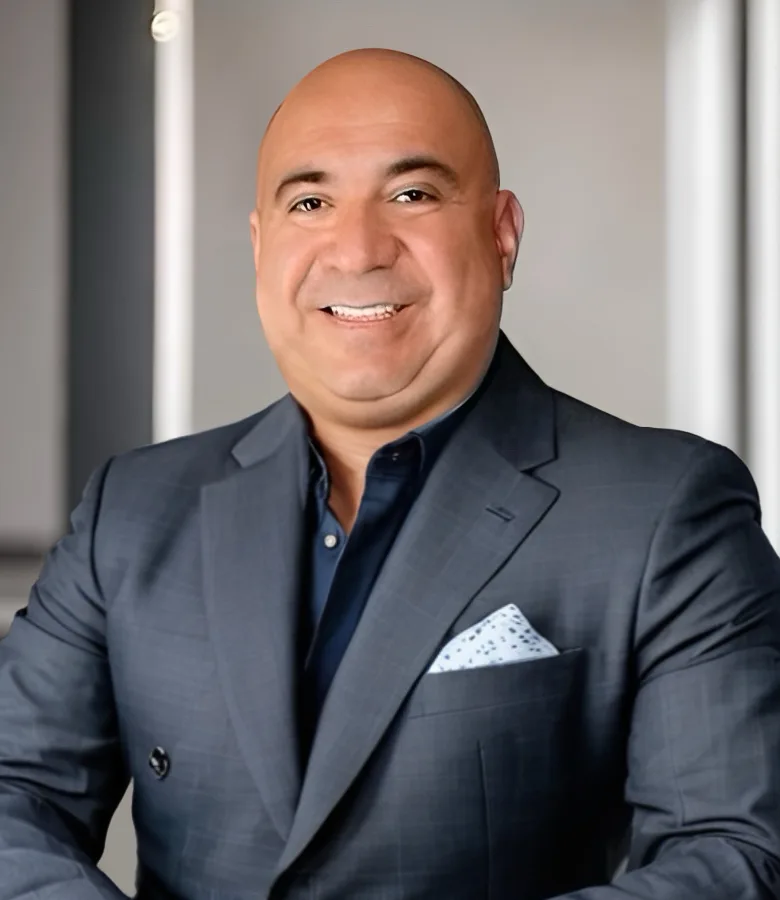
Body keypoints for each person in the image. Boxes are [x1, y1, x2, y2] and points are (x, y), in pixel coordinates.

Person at [0, 47, 779, 900]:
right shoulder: (134, 512)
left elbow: (734, 857)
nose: (358, 248)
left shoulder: (665, 510)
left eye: (412, 195)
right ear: (260, 246)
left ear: (501, 233)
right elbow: (12, 795)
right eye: (310, 202)